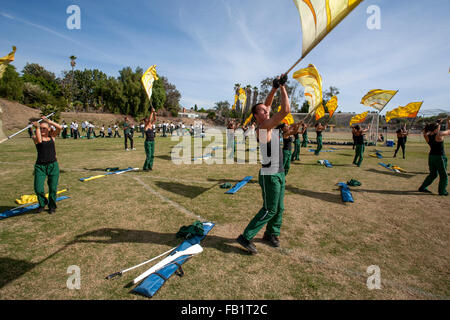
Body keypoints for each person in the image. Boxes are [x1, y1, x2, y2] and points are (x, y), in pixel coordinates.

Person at [236, 74, 290, 254]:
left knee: (279, 208)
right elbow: (285, 111)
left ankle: (271, 233)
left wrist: (273, 89)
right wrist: (282, 87)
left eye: (266, 109)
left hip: (279, 171)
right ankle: (246, 236)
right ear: (256, 115)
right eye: (262, 110)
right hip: (270, 175)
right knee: (270, 209)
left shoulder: (266, 122)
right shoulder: (264, 127)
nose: (267, 110)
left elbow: (267, 105)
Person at [31, 116, 62, 214]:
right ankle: (42, 203)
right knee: (38, 188)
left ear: (49, 129)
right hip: (40, 167)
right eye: (41, 128)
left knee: (53, 188)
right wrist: (36, 128)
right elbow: (40, 141)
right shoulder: (35, 137)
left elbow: (60, 127)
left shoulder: (52, 137)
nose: (42, 130)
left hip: (53, 165)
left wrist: (49, 121)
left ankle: (52, 206)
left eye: (44, 128)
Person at [418, 117, 449, 196]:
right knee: (443, 175)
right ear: (436, 129)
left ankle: (422, 187)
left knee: (433, 174)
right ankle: (442, 191)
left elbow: (427, 131)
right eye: (438, 127)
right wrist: (448, 121)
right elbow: (449, 131)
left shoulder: (427, 136)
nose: (439, 128)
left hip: (431, 157)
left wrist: (438, 122)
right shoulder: (439, 135)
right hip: (439, 157)